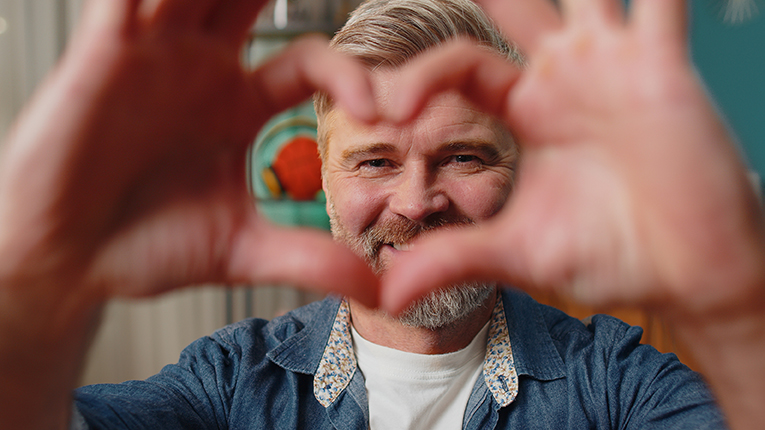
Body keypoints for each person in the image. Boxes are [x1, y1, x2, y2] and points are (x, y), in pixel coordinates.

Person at [0, 0, 762, 429]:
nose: (415, 202)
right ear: (324, 184)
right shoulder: (229, 387)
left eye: (463, 157)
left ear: (520, 171)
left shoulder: (615, 386)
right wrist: (31, 298)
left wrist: (736, 312)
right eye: (373, 162)